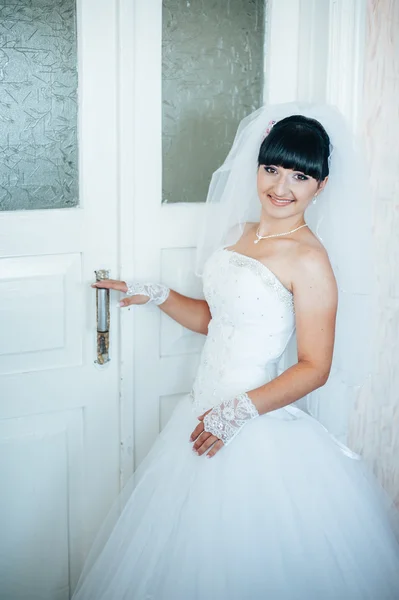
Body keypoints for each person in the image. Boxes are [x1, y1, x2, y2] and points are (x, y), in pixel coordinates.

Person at [73, 104, 399, 599]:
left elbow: (315, 368)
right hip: (200, 414)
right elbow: (217, 320)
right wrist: (158, 294)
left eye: (299, 176)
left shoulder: (311, 261)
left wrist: (237, 412)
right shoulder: (239, 235)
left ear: (321, 186)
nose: (281, 187)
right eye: (271, 169)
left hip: (254, 424)